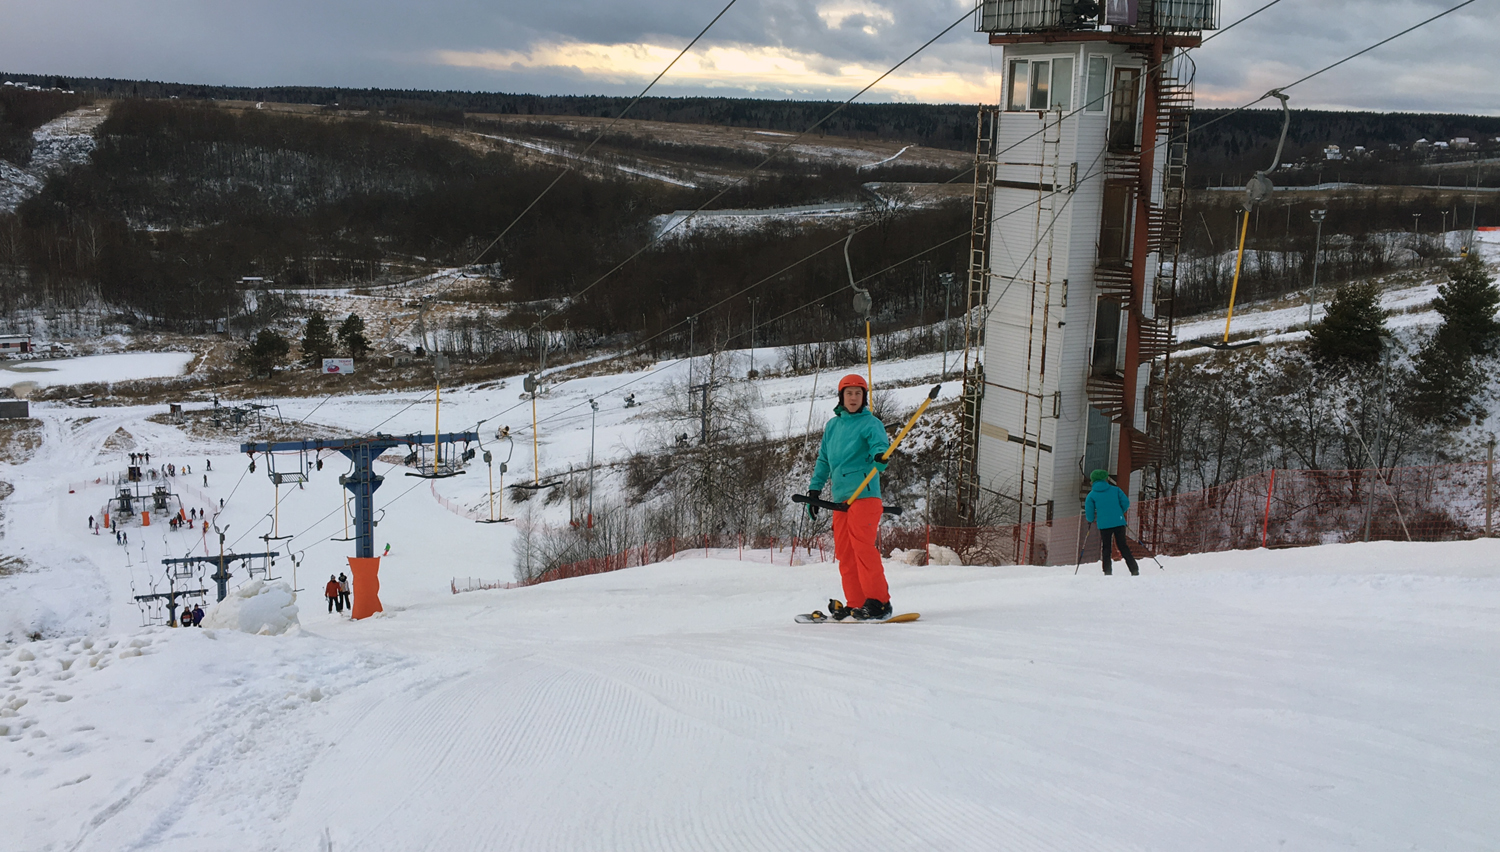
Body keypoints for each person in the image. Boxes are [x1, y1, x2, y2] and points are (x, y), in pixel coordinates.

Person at [806, 374, 893, 620]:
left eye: (858, 393)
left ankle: (879, 602)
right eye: (849, 393)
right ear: (841, 397)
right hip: (841, 498)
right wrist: (815, 490)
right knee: (845, 552)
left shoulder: (870, 423)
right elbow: (824, 460)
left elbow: (879, 445)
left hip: (864, 495)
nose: (853, 398)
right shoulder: (832, 426)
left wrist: (880, 456)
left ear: (864, 397)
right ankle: (857, 602)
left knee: (862, 548)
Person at [1084, 469, 1139, 576]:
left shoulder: (1091, 495)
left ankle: (1107, 571)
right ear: (1105, 479)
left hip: (1104, 525)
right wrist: (1120, 513)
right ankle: (1134, 569)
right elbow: (1126, 502)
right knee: (1123, 546)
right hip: (1119, 522)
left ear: (1093, 481)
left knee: (1106, 548)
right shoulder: (1116, 490)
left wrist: (1091, 520)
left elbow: (1089, 511)